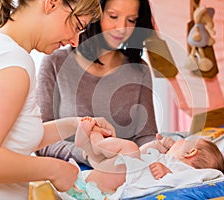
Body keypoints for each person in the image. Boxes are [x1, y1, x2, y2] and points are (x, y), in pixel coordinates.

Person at [0, 0, 116, 199]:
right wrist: (54, 170)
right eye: (77, 27)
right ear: (51, 3)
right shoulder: (14, 64)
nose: (75, 41)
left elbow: (16, 139)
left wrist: (75, 124)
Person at [36, 0, 158, 166]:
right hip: (71, 174)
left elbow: (146, 135)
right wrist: (88, 154)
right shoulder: (55, 63)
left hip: (124, 171)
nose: (122, 28)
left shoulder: (139, 69)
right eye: (113, 16)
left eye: (131, 20)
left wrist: (156, 148)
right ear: (93, 14)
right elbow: (41, 141)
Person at [70, 117, 224, 199]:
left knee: (129, 149)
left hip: (119, 183)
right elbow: (142, 154)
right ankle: (88, 146)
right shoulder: (166, 157)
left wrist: (167, 173)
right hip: (113, 180)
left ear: (189, 152)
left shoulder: (184, 169)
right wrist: (155, 146)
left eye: (182, 141)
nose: (175, 141)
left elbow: (182, 180)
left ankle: (95, 142)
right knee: (122, 155)